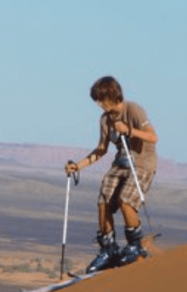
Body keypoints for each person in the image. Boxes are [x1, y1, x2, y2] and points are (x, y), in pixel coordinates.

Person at [65, 76, 158, 273]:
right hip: (121, 163)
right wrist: (78, 166)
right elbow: (101, 149)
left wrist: (129, 130)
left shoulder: (133, 109)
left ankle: (135, 246)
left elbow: (152, 136)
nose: (99, 104)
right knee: (103, 201)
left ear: (111, 96)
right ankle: (108, 250)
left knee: (126, 201)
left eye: (101, 99)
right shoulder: (105, 119)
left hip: (142, 164)